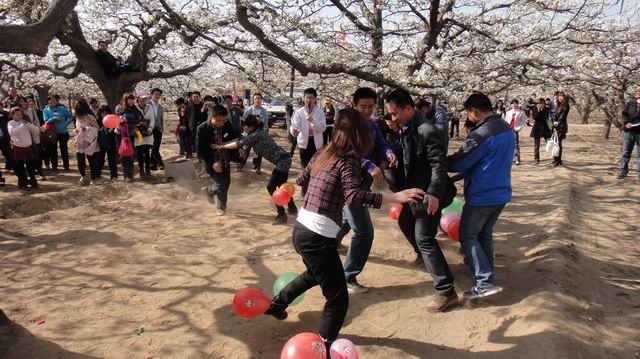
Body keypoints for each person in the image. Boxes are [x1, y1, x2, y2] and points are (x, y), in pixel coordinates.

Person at [264, 108, 425, 353]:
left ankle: (278, 304)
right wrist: (395, 197)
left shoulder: (322, 152)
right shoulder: (348, 158)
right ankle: (324, 348)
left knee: (314, 275)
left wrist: (289, 187)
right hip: (317, 236)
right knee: (338, 299)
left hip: (301, 231)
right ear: (360, 134)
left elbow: (302, 179)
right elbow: (353, 195)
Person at [385, 89, 458, 312]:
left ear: (409, 108)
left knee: (424, 237)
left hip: (431, 193)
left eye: (395, 113)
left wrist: (434, 193)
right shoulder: (407, 127)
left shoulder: (427, 130)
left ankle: (446, 291)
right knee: (405, 221)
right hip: (416, 191)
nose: (393, 118)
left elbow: (439, 164)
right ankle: (423, 256)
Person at [448, 93, 514, 299]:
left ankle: (485, 282)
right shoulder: (505, 128)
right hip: (501, 192)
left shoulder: (483, 133)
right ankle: (488, 277)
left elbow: (461, 161)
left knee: (467, 235)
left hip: (482, 194)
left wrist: (440, 162)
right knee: (484, 234)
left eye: (469, 113)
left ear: (474, 111)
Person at [335, 87, 397, 294]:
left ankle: (330, 245)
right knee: (363, 231)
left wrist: (388, 153)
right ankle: (348, 277)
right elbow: (343, 152)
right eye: (363, 107)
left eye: (371, 107)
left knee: (347, 220)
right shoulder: (345, 127)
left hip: (362, 184)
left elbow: (381, 144)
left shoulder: (372, 125)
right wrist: (369, 165)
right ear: (354, 106)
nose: (367, 111)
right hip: (349, 185)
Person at [214, 115, 298, 224]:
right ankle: (292, 208)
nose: (243, 128)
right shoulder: (255, 133)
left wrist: (221, 147)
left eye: (245, 126)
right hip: (284, 160)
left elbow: (238, 143)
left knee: (270, 187)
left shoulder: (257, 134)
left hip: (282, 161)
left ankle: (282, 215)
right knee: (281, 186)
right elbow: (239, 139)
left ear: (251, 127)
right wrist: (223, 144)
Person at [197, 105, 240, 216]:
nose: (221, 123)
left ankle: (209, 191)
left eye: (223, 120)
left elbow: (235, 137)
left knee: (226, 184)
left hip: (225, 158)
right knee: (221, 185)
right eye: (218, 120)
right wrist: (213, 163)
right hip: (212, 161)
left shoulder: (226, 124)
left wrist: (239, 148)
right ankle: (221, 208)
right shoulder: (202, 129)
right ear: (211, 117)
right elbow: (200, 150)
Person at [290, 88, 326, 190]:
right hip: (303, 143)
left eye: (311, 98)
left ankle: (313, 190)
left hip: (316, 144)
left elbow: (322, 128)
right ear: (304, 98)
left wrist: (312, 121)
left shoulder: (320, 112)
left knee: (315, 168)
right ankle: (304, 191)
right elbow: (294, 125)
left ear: (315, 99)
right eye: (307, 98)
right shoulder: (299, 112)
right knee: (304, 168)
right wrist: (294, 131)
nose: (309, 100)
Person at [7, 107, 40, 190]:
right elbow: (12, 132)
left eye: (20, 114)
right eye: (17, 114)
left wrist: (32, 126)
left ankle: (33, 182)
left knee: (30, 166)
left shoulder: (25, 122)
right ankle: (22, 183)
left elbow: (36, 131)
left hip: (28, 147)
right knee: (20, 167)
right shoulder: (11, 123)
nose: (19, 116)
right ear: (12, 115)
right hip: (18, 147)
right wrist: (21, 126)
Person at [73, 100, 101, 186]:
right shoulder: (77, 117)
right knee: (80, 160)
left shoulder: (90, 117)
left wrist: (87, 128)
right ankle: (82, 176)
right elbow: (77, 127)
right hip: (80, 141)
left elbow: (97, 128)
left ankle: (93, 178)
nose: (80, 117)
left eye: (81, 114)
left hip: (90, 142)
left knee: (92, 160)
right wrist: (76, 130)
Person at [43, 95, 74, 171]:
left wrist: (66, 123)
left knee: (64, 150)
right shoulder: (45, 110)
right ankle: (54, 167)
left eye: (54, 100)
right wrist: (53, 119)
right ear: (48, 101)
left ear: (57, 101)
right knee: (53, 150)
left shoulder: (62, 109)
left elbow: (70, 117)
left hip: (63, 132)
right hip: (52, 133)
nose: (52, 102)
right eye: (50, 100)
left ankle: (66, 166)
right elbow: (46, 120)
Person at [117, 92, 144, 182]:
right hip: (121, 135)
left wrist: (134, 126)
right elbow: (116, 121)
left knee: (131, 153)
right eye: (130, 99)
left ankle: (130, 174)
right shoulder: (119, 108)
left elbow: (140, 120)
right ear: (125, 100)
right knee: (124, 154)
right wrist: (122, 121)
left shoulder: (135, 110)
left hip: (131, 134)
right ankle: (126, 175)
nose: (132, 101)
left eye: (133, 99)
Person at [243, 93, 269, 174]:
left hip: (259, 134)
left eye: (259, 98)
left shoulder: (264, 111)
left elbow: (266, 123)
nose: (257, 100)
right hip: (250, 134)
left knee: (259, 151)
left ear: (261, 100)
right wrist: (246, 129)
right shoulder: (248, 110)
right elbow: (243, 121)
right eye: (255, 98)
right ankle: (242, 163)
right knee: (246, 149)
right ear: (253, 100)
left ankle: (257, 166)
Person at [617, 88, 640, 179]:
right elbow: (624, 114)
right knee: (626, 152)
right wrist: (626, 123)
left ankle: (639, 173)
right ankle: (623, 171)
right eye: (637, 91)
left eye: (639, 91)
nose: (637, 93)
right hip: (629, 131)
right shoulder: (630, 103)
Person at [95, 105, 118, 182]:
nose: (104, 115)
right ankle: (97, 176)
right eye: (103, 113)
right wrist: (100, 129)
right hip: (101, 143)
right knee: (100, 160)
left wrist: (109, 127)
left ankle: (114, 176)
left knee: (112, 160)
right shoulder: (97, 121)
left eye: (106, 113)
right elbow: (95, 132)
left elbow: (114, 130)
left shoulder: (112, 121)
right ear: (100, 113)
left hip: (111, 143)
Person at [145, 88, 165, 171]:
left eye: (159, 95)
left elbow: (161, 119)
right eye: (155, 94)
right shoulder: (147, 104)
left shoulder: (160, 107)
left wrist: (162, 128)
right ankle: (160, 163)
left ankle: (153, 164)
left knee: (156, 147)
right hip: (150, 128)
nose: (157, 96)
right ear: (151, 94)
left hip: (158, 129)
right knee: (153, 147)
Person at [528, 98, 551, 164]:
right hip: (537, 128)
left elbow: (546, 117)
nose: (540, 105)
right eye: (539, 104)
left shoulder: (546, 109)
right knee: (536, 145)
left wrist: (541, 111)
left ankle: (554, 156)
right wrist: (538, 110)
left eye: (542, 103)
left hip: (545, 127)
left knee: (549, 142)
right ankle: (536, 159)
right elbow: (535, 117)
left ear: (544, 104)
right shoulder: (535, 109)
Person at [503, 99, 526, 165]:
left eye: (515, 103)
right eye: (513, 104)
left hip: (515, 129)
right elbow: (506, 121)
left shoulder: (521, 112)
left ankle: (517, 158)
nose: (514, 105)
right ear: (511, 105)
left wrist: (519, 128)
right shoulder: (508, 112)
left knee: (516, 144)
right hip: (508, 129)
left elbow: (523, 122)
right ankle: (511, 158)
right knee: (509, 144)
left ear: (517, 104)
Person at [137, 100, 155, 179]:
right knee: (139, 153)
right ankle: (141, 170)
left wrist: (150, 128)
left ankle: (148, 170)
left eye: (144, 99)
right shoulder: (135, 107)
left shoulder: (149, 107)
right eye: (141, 99)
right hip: (138, 133)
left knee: (147, 152)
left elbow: (152, 119)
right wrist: (138, 123)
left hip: (148, 132)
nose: (143, 101)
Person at [552, 91, 570, 166]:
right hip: (555, 126)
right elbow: (555, 115)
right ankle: (555, 159)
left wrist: (558, 122)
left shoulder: (566, 105)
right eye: (559, 96)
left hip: (561, 127)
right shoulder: (558, 105)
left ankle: (559, 160)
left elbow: (563, 116)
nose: (560, 98)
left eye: (562, 96)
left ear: (565, 97)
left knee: (559, 142)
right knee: (555, 142)